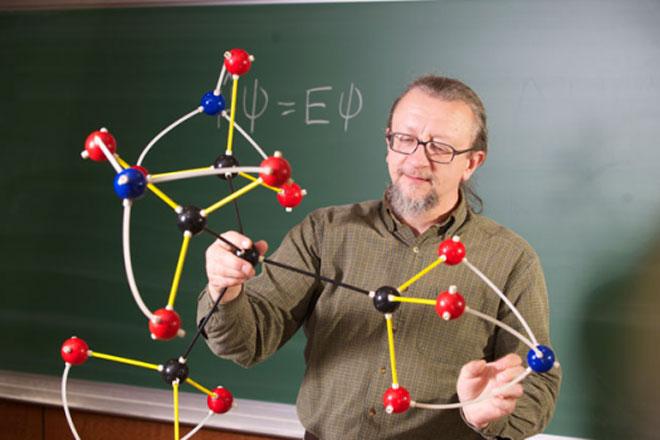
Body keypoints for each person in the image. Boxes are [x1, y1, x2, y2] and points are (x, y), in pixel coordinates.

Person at [198, 75, 561, 439]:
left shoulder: (511, 259)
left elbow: (538, 385)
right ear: (388, 143)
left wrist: (488, 415)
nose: (416, 160)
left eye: (440, 147)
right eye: (405, 139)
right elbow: (245, 343)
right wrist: (224, 290)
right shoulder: (326, 232)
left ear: (472, 162)